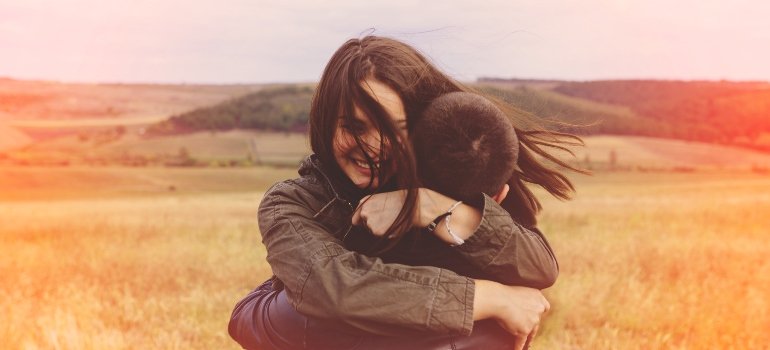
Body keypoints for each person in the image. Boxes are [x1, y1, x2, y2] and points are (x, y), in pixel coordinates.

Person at [229, 35, 583, 350]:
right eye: (355, 126)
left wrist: (430, 208)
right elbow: (332, 289)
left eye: (394, 128)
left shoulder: (450, 178)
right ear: (325, 121)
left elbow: (539, 268)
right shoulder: (289, 202)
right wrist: (488, 298)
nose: (375, 147)